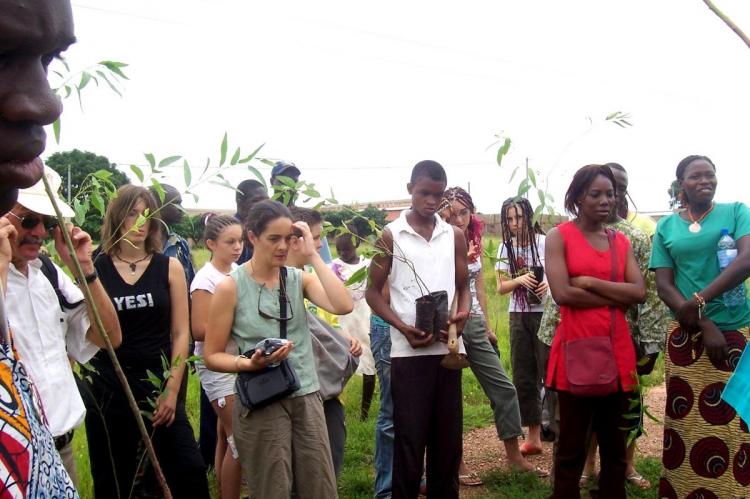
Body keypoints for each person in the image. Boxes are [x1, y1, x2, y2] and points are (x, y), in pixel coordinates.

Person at [204, 199, 352, 498]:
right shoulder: (230, 287)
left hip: (307, 395)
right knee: (272, 488)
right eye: (274, 239)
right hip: (262, 398)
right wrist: (248, 364)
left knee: (319, 487)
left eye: (289, 238)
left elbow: (343, 304)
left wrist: (312, 254)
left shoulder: (299, 279)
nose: (283, 246)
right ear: (252, 237)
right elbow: (212, 355)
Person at [537, 162, 669, 489]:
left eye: (610, 194)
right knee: (570, 446)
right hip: (574, 352)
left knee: (614, 448)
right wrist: (615, 298)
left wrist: (590, 283)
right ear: (577, 197)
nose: (605, 200)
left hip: (617, 353)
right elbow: (564, 293)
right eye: (595, 194)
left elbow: (638, 292)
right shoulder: (559, 237)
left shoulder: (620, 243)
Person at [0, 0, 81, 495]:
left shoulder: (54, 276)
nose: (47, 103)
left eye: (50, 60)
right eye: (1, 54)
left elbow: (100, 340)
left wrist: (86, 268)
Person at [83, 185, 210, 498]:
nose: (140, 223)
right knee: (118, 479)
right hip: (110, 388)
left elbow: (182, 333)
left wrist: (171, 390)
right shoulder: (93, 268)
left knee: (189, 469)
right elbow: (84, 332)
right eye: (131, 215)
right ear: (117, 218)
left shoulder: (170, 267)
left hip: (159, 383)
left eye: (147, 215)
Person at [4, 167, 122, 485]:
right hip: (9, 460)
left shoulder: (47, 273)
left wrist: (83, 268)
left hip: (60, 450)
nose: (40, 232)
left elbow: (109, 336)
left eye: (49, 223)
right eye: (28, 220)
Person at [366, 160, 471, 499]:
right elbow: (372, 292)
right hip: (408, 352)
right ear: (409, 188)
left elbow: (463, 286)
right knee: (409, 441)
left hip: (447, 350)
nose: (430, 201)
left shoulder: (452, 235)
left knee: (447, 440)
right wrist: (401, 325)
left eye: (437, 196)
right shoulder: (392, 235)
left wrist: (464, 312)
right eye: (424, 193)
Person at [650, 155, 750, 498]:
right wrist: (700, 319)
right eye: (696, 176)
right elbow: (664, 285)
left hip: (735, 332)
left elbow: (747, 259)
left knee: (734, 418)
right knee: (685, 420)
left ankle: (733, 492)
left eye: (710, 175)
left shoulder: (736, 211)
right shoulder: (667, 227)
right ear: (681, 185)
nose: (705, 181)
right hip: (687, 337)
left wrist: (701, 300)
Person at [439, 187, 542, 485]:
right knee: (448, 398)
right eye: (452, 213)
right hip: (445, 321)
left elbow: (481, 286)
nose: (458, 219)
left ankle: (513, 456)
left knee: (504, 388)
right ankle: (455, 464)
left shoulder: (473, 238)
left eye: (463, 212)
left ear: (471, 212)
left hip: (472, 320)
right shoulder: (438, 240)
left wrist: (485, 325)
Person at [287, 206, 363, 478]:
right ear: (296, 240)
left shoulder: (301, 276)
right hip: (293, 391)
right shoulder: (275, 279)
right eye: (316, 237)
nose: (320, 244)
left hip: (316, 386)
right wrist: (313, 256)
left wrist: (339, 336)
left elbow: (342, 305)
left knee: (327, 463)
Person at [191, 215, 244, 499]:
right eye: (230, 242)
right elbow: (199, 330)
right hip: (217, 366)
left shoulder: (235, 271)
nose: (237, 247)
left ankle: (225, 492)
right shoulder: (205, 280)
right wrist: (240, 324)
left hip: (237, 362)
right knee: (241, 442)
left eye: (240, 240)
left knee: (226, 435)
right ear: (211, 244)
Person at [495, 197, 549, 456]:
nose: (515, 223)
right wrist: (521, 280)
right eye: (509, 219)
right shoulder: (505, 248)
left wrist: (547, 284)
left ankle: (560, 430)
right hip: (518, 316)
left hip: (546, 314)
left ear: (530, 216)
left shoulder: (545, 242)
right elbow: (501, 287)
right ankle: (534, 436)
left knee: (550, 372)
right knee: (524, 374)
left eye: (519, 217)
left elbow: (560, 274)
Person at [332, 231, 377, 420]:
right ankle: (335, 407)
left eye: (347, 249)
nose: (343, 253)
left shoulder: (367, 265)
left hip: (364, 317)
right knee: (341, 363)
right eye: (340, 249)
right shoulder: (334, 267)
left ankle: (364, 412)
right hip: (344, 320)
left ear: (357, 244)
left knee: (369, 363)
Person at [271, 161, 333, 263]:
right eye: (284, 181)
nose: (290, 187)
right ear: (272, 181)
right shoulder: (264, 219)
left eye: (294, 182)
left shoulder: (308, 220)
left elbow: (325, 262)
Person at [151, 183, 195, 285]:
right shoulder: (138, 244)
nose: (181, 209)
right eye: (176, 203)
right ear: (157, 205)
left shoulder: (179, 244)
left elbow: (190, 283)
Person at [234, 179, 269, 265]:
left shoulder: (262, 227)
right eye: (256, 201)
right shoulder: (231, 231)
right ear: (240, 201)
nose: (263, 205)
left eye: (266, 200)